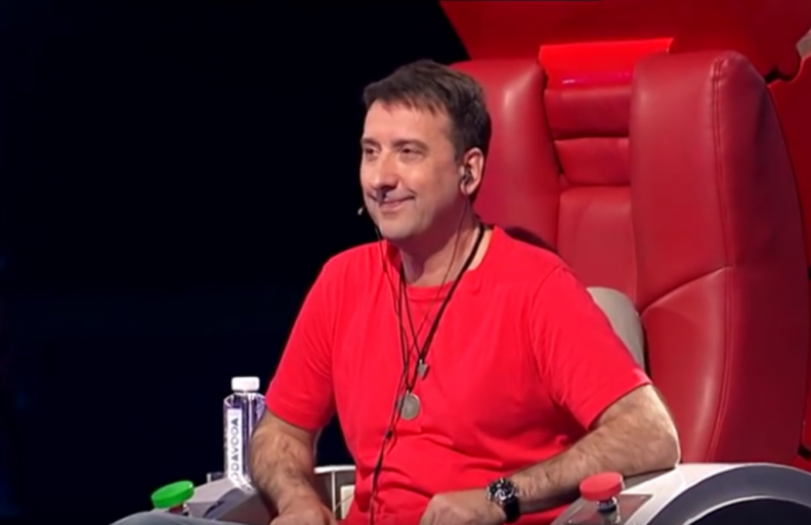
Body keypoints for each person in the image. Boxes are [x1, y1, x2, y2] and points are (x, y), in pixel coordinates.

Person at [113, 59, 679, 525]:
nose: (381, 178)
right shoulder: (343, 280)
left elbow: (650, 434)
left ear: (469, 171)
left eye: (408, 152)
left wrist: (498, 498)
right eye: (370, 151)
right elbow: (280, 431)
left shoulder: (536, 287)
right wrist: (298, 501)